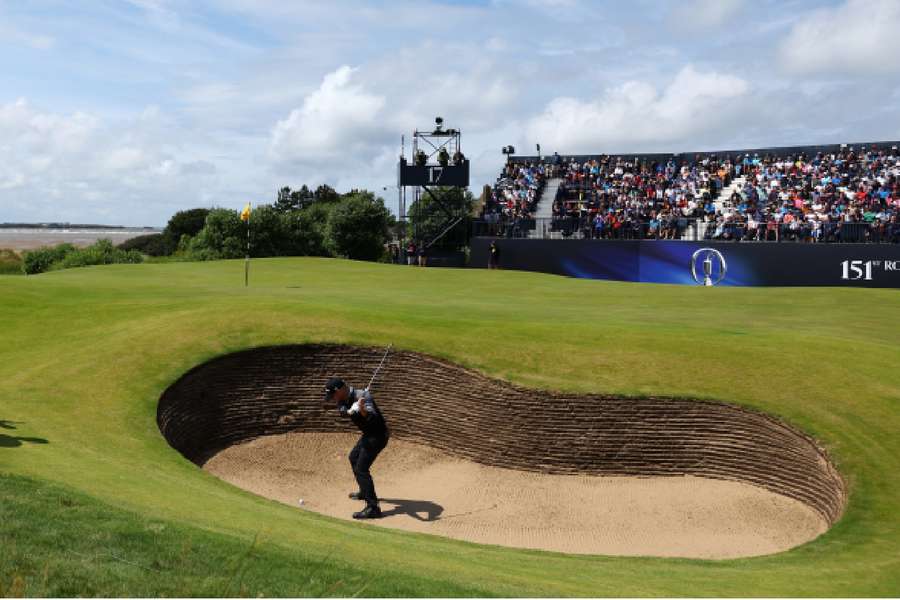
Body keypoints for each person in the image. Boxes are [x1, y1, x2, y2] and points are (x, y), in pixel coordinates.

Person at [324, 377, 389, 519]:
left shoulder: (363, 397)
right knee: (353, 457)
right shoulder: (342, 399)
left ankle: (373, 508)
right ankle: (364, 491)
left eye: (333, 395)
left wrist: (363, 411)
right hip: (368, 434)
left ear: (340, 390)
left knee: (361, 468)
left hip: (378, 435)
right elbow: (342, 412)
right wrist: (350, 410)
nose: (333, 399)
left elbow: (374, 419)